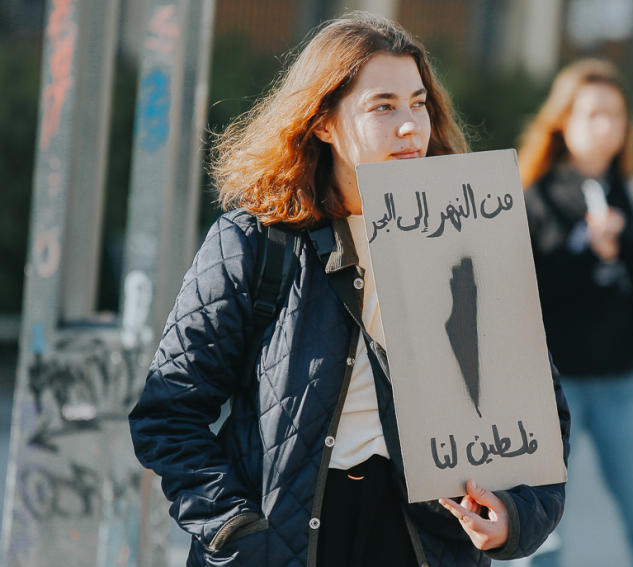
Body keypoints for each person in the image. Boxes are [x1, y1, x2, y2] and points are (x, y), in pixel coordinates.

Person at [128, 13, 570, 567]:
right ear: (323, 123)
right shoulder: (256, 243)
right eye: (382, 106)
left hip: (425, 543)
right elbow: (169, 413)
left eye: (419, 103)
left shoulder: (470, 236)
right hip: (282, 541)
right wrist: (232, 530)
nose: (410, 125)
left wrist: (515, 514)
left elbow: (539, 416)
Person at [518, 59, 633, 567]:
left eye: (615, 114)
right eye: (592, 113)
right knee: (543, 534)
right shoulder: (535, 198)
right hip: (549, 388)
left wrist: (621, 244)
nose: (606, 125)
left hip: (622, 384)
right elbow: (523, 291)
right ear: (563, 121)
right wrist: (584, 250)